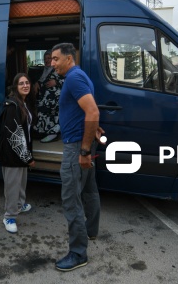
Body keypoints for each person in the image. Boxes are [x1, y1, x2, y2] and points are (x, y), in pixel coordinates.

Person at [50, 42, 104, 272]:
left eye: (55, 59)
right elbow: (88, 110)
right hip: (84, 142)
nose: (52, 64)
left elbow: (92, 111)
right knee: (89, 191)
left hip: (76, 148)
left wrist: (83, 151)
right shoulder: (80, 76)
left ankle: (78, 253)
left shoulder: (73, 78)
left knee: (72, 199)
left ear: (69, 59)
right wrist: (95, 132)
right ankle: (90, 231)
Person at [0, 73, 37, 234]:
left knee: (22, 181)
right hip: (12, 154)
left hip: (21, 152)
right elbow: (14, 135)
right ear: (15, 87)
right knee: (13, 186)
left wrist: (27, 154)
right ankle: (9, 216)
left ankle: (20, 204)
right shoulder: (12, 106)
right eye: (21, 83)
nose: (25, 86)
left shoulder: (23, 103)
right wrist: (28, 157)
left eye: (27, 82)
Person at [35, 50, 64, 143]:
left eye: (49, 58)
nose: (47, 60)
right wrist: (36, 83)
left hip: (54, 100)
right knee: (41, 114)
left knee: (52, 117)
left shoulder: (59, 68)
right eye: (45, 59)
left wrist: (57, 82)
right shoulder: (44, 70)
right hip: (44, 98)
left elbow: (69, 81)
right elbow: (41, 80)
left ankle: (53, 134)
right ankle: (44, 133)